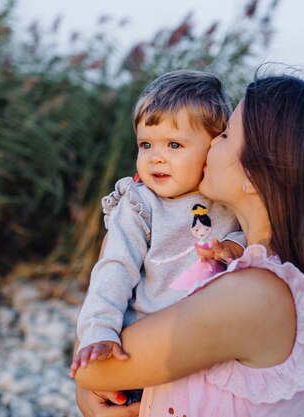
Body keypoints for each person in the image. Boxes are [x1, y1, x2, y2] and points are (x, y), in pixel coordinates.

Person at [72, 70, 304, 417]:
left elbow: (93, 369)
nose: (211, 142)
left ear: (257, 175)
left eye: (225, 134)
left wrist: (117, 241)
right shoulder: (268, 271)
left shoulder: (253, 296)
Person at [71, 70, 246, 389]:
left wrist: (236, 245)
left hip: (203, 351)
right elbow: (115, 267)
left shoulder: (224, 200)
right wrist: (100, 330)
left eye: (174, 144)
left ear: (214, 146)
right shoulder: (140, 205)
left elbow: (252, 233)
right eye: (146, 144)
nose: (156, 158)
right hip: (141, 341)